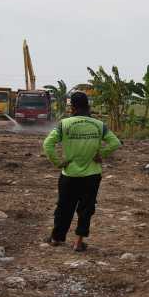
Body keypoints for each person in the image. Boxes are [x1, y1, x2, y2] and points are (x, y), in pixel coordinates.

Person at [42, 92, 121, 251]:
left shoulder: (64, 124)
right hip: (92, 175)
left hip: (70, 174)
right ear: (88, 107)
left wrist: (58, 163)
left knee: (64, 208)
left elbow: (48, 144)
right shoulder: (99, 125)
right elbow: (115, 143)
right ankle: (78, 243)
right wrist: (102, 154)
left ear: (73, 108)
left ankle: (56, 238)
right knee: (86, 209)